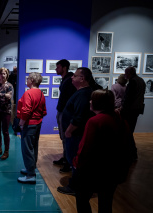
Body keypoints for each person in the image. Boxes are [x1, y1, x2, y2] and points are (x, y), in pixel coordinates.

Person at [73, 89, 133, 213]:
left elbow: (85, 148)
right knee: (106, 202)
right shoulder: (121, 120)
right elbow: (128, 146)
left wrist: (76, 163)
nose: (90, 101)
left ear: (97, 103)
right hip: (113, 170)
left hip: (93, 170)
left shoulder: (95, 121)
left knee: (82, 198)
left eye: (92, 99)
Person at [57, 67, 95, 195]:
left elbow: (79, 116)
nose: (72, 77)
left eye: (75, 76)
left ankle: (76, 187)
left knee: (75, 159)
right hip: (75, 134)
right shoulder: (82, 92)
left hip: (75, 134)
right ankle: (78, 184)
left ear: (82, 79)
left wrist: (68, 131)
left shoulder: (83, 94)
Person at [17, 72, 47, 184]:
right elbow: (44, 110)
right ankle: (31, 168)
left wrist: (21, 122)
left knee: (27, 148)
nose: (27, 80)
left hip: (29, 124)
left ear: (32, 81)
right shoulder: (40, 93)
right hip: (37, 123)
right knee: (33, 146)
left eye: (28, 78)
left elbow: (26, 110)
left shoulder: (28, 93)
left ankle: (30, 175)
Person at [53, 59, 77, 173]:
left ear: (64, 68)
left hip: (66, 113)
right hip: (63, 111)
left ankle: (68, 162)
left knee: (66, 137)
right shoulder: (66, 79)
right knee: (63, 137)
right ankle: (65, 158)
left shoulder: (69, 80)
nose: (56, 69)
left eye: (58, 67)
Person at [120, 66, 146, 160]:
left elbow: (128, 97)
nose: (125, 75)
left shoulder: (133, 81)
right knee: (129, 130)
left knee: (127, 131)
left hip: (130, 110)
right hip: (137, 109)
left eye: (126, 73)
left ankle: (131, 153)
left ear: (130, 73)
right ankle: (131, 153)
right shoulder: (141, 80)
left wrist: (122, 109)